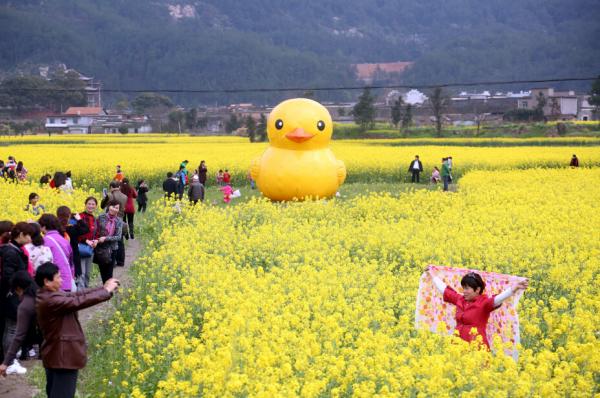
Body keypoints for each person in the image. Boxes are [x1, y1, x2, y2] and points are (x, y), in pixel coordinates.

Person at [34, 262, 119, 398]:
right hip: (63, 357)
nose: (62, 280)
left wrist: (102, 288)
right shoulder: (51, 301)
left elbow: (76, 295)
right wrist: (105, 292)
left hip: (56, 355)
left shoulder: (48, 295)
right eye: (58, 277)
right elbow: (79, 302)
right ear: (47, 281)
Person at [426, 266, 528, 348]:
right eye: (463, 288)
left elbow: (498, 299)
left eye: (467, 288)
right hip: (457, 346)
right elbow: (445, 290)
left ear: (477, 289)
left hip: (477, 348)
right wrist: (432, 275)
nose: (464, 291)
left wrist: (513, 289)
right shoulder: (460, 300)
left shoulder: (484, 304)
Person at [0, 271, 41, 376]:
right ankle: (10, 362)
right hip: (12, 295)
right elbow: (19, 336)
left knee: (12, 330)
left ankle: (10, 361)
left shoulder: (29, 300)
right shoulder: (28, 301)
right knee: (12, 330)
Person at [39, 214, 75, 292]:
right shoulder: (63, 239)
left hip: (55, 282)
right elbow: (71, 261)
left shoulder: (45, 241)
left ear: (44, 227)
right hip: (68, 279)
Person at [57, 206, 89, 290]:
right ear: (69, 216)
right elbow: (86, 229)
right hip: (73, 259)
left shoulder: (56, 229)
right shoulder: (72, 229)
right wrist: (79, 219)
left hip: (60, 260)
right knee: (75, 284)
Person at [95, 200, 123, 283]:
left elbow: (118, 237)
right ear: (108, 206)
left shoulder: (119, 220)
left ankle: (108, 292)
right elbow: (96, 231)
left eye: (116, 208)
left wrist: (106, 238)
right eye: (112, 206)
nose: (114, 209)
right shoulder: (101, 217)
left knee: (109, 272)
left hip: (112, 249)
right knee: (102, 271)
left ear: (118, 210)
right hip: (101, 248)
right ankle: (105, 290)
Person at [101, 181, 127, 267]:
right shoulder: (124, 196)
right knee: (120, 240)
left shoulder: (109, 195)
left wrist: (104, 198)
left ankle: (113, 261)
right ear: (118, 187)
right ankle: (121, 261)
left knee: (111, 240)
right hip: (120, 219)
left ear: (111, 187)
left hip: (111, 219)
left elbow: (102, 206)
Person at [78, 197, 98, 288]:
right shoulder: (80, 216)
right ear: (85, 205)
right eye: (89, 204)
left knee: (88, 272)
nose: (91, 206)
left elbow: (96, 232)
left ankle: (86, 290)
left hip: (91, 248)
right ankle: (81, 293)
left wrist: (96, 241)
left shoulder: (94, 219)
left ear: (96, 206)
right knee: (82, 272)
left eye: (93, 204)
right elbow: (76, 232)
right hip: (81, 247)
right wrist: (86, 240)